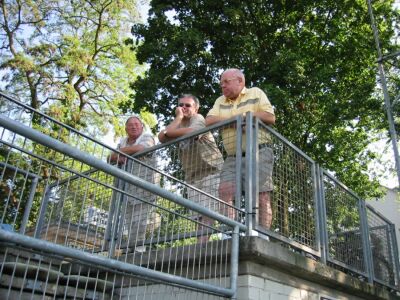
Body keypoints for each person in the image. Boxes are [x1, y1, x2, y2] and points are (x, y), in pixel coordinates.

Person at [206, 68, 275, 229]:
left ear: (240, 81)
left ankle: (262, 236)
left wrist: (245, 117)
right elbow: (209, 121)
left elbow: (270, 117)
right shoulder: (220, 100)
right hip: (232, 157)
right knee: (224, 190)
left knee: (261, 195)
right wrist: (236, 121)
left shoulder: (255, 93)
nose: (222, 86)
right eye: (221, 83)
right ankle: (231, 232)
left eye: (226, 82)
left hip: (260, 151)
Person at [158, 94, 223, 242]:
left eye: (188, 105)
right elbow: (162, 137)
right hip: (192, 176)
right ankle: (200, 245)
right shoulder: (178, 122)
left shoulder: (198, 118)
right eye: (181, 105)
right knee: (197, 215)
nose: (184, 108)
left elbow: (191, 132)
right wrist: (178, 119)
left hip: (211, 170)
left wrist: (170, 133)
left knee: (207, 211)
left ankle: (201, 246)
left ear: (196, 108)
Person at [108, 116, 159, 252]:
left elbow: (141, 148)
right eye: (130, 125)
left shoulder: (147, 136)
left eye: (137, 124)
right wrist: (119, 154)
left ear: (142, 127)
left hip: (144, 186)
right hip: (126, 188)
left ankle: (139, 250)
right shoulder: (123, 142)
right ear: (126, 129)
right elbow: (109, 157)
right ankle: (130, 248)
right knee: (129, 221)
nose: (134, 127)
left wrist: (119, 153)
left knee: (140, 221)